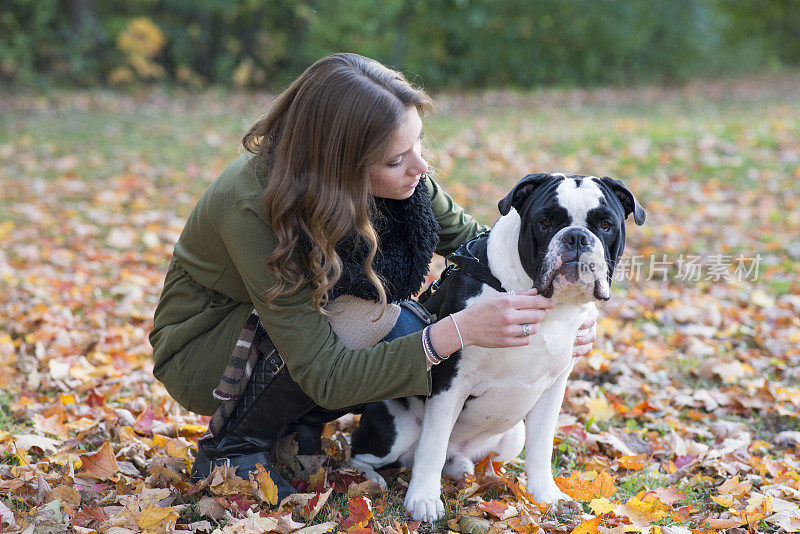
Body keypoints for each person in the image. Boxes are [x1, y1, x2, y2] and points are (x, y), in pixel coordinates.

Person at [149, 53, 597, 498]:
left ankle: (295, 426)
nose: (419, 166)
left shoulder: (405, 178)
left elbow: (477, 245)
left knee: (402, 329)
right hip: (204, 349)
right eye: (396, 159)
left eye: (418, 144)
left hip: (289, 331)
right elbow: (324, 372)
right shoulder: (255, 204)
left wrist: (558, 297)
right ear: (338, 165)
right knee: (387, 327)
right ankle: (235, 447)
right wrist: (454, 333)